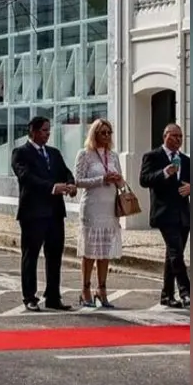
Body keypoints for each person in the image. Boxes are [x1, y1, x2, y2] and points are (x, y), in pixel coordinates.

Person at [11, 115, 76, 311]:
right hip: (33, 213)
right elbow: (26, 177)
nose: (48, 134)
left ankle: (53, 296)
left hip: (55, 212)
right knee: (31, 255)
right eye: (44, 130)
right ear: (33, 131)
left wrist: (71, 184)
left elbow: (65, 172)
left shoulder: (54, 153)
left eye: (49, 130)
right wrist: (51, 187)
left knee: (54, 255)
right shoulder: (20, 153)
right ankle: (30, 296)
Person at [72, 118, 125, 308]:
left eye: (109, 132)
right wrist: (102, 178)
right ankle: (85, 288)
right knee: (90, 250)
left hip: (109, 207)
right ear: (94, 134)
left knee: (105, 251)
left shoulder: (113, 155)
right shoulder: (85, 154)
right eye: (102, 132)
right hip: (92, 207)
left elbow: (121, 182)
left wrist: (118, 179)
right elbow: (77, 181)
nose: (106, 136)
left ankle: (102, 289)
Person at [140, 123, 191, 308]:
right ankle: (187, 292)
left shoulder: (185, 160)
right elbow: (144, 180)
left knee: (173, 254)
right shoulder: (153, 156)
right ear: (165, 136)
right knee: (176, 253)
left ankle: (167, 295)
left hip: (183, 214)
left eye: (181, 136)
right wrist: (164, 173)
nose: (178, 140)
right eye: (175, 136)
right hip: (164, 212)